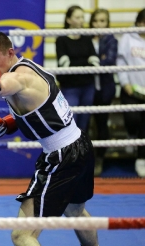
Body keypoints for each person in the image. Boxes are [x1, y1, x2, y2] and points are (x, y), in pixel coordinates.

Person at [0, 31, 103, 246]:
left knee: (22, 235)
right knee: (75, 212)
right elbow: (36, 107)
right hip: (79, 146)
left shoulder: (18, 78)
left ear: (10, 53)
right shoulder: (27, 66)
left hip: (62, 157)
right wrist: (9, 122)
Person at [56, 5, 100, 133]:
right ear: (69, 20)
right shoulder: (62, 39)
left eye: (82, 17)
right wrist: (86, 63)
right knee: (71, 122)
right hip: (70, 86)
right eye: (77, 17)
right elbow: (64, 64)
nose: (81, 20)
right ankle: (72, 152)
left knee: (84, 123)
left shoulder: (87, 38)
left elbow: (95, 61)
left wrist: (75, 63)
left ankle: (83, 152)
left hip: (88, 85)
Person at [116, 8, 145, 177]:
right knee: (132, 119)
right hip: (131, 89)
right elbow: (121, 61)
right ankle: (130, 133)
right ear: (139, 23)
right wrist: (125, 82)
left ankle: (141, 159)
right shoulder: (128, 38)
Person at [89, 8, 118, 176]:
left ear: (107, 23)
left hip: (105, 88)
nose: (99, 24)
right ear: (91, 23)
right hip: (88, 88)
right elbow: (80, 59)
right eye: (96, 21)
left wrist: (93, 62)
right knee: (83, 126)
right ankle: (85, 160)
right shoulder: (86, 39)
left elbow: (110, 60)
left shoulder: (111, 39)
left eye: (102, 21)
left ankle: (99, 159)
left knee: (101, 124)